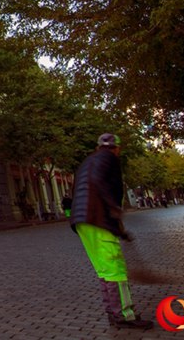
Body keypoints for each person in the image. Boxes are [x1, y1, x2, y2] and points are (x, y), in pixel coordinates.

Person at [70, 133, 153, 330]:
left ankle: (112, 311)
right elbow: (98, 181)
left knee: (104, 269)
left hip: (82, 221)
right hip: (97, 218)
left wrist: (118, 228)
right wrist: (113, 208)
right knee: (115, 270)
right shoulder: (108, 159)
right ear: (116, 148)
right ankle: (125, 314)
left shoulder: (89, 160)